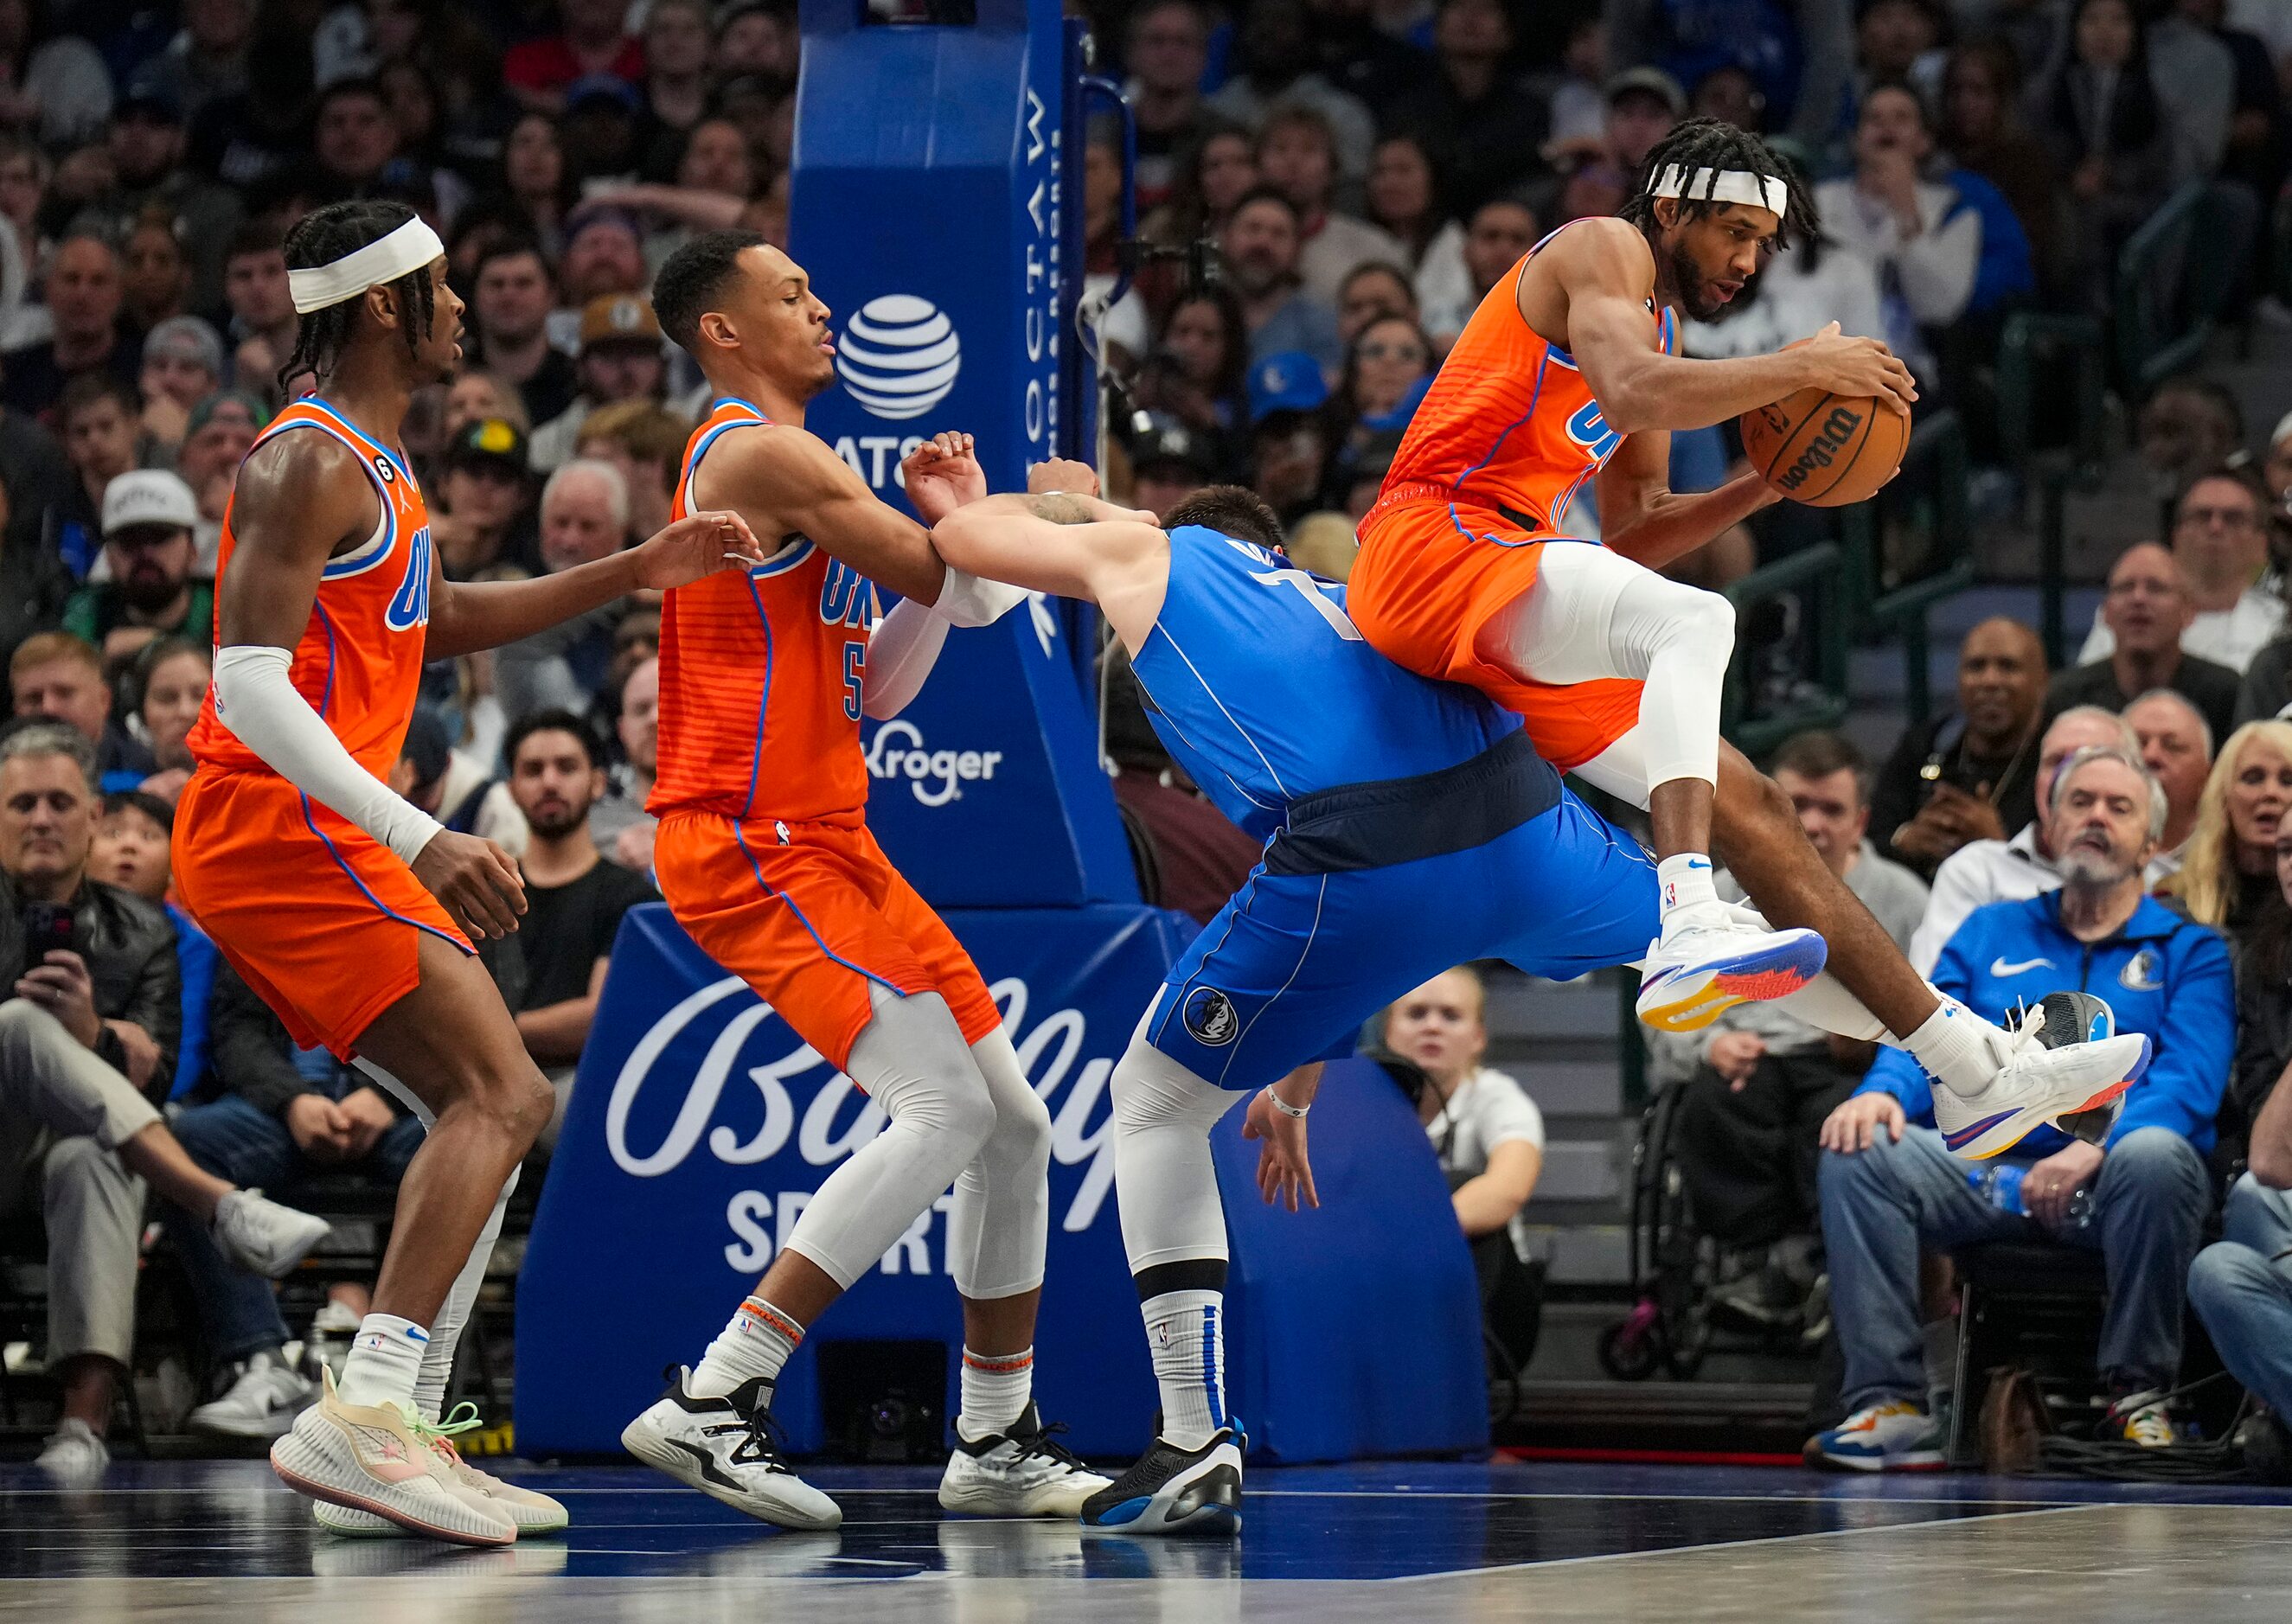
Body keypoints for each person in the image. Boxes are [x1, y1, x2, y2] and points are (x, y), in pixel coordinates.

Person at [925, 469, 2145, 1532]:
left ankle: (1191, 1434)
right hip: (1517, 820)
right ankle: (1973, 1057)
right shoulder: (1356, 605)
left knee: (1149, 1105)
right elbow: (1375, 925)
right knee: (1730, 937)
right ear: (1279, 553)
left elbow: (972, 544)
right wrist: (1294, 1073)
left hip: (1367, 854)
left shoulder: (1149, 547)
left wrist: (971, 515)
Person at [1346, 114, 2124, 1156]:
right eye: (1731, 233)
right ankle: (1687, 913)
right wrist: (1798, 364)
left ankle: (1971, 1069)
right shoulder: (1599, 249)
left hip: (1504, 580)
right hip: (1430, 542)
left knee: (1751, 805)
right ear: (1667, 211)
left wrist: (1771, 476)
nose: (1748, 261)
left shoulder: (1662, 333)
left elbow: (1634, 528)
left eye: (1763, 244)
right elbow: (1627, 391)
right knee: (1696, 620)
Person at [170, 199, 764, 1544]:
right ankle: (365, 1414)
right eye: (439, 288)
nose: (459, 310)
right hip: (278, 826)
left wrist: (635, 567)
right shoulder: (301, 462)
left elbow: (430, 623)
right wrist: (416, 831)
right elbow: (249, 689)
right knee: (500, 1089)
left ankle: (403, 1437)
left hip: (308, 828)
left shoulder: (377, 462)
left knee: (479, 1119)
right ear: (384, 304)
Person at [617, 229, 1110, 1531]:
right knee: (942, 1109)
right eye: (791, 294)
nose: (824, 309)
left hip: (831, 836)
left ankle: (994, 1437)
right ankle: (717, 1394)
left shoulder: (790, 471)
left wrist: (965, 538)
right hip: (749, 835)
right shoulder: (760, 448)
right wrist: (1009, 517)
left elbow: (880, 676)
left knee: (1015, 1126)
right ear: (722, 330)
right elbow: (956, 576)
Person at [1808, 746, 2230, 1466]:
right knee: (1864, 1149)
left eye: (2119, 807)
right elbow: (1925, 1035)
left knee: (2160, 1153)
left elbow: (2190, 1079)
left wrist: (2091, 1147)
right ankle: (1892, 1404)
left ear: (2153, 843)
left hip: (2115, 1180)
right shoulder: (1989, 931)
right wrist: (1879, 1092)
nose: (2096, 816)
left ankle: (2139, 1397)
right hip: (1984, 1173)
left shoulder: (2191, 950)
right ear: (2050, 823)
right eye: (2081, 802)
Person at [0, 721, 330, 1482]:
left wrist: (94, 1037)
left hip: (73, 1154)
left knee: (94, 1153)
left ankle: (81, 1428)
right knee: (18, 1022)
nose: (42, 819)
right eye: (22, 805)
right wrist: (103, 1043)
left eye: (59, 802)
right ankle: (220, 1205)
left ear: (92, 817)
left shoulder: (145, 928)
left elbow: (157, 1080)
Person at [1649, 731, 1927, 1315]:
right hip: (1749, 1054)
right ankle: (1756, 1261)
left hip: (1847, 1060)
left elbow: (1933, 1001)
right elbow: (1664, 1001)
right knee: (1715, 1102)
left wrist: (1875, 1041)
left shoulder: (1905, 898)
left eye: (1833, 809)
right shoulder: (1717, 895)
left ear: (1862, 821)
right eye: (1798, 805)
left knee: (1839, 1120)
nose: (1815, 823)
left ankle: (1822, 1263)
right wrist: (1708, 1045)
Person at [483, 709, 655, 1145]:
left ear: (598, 782)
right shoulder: (486, 894)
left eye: (567, 767)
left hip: (581, 1081)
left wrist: (489, 1032)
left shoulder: (629, 897)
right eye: (533, 770)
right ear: (512, 790)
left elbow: (601, 1016)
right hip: (486, 1078)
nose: (550, 782)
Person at [1909, 706, 2142, 972]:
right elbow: (1933, 997)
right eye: (2054, 762)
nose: (2063, 779)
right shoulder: (1976, 870)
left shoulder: (2158, 883)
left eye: (2086, 762)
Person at [1382, 967, 1546, 1263]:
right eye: (1417, 1013)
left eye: (1451, 1015)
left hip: (1484, 1281)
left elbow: (1509, 1187)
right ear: (1389, 1030)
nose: (1432, 1026)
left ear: (1478, 1037)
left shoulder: (1499, 1098)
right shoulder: (1362, 1101)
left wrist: (1409, 1240)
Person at [1870, 617, 2049, 882]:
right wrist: (1907, 840)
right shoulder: (1925, 744)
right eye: (1976, 667)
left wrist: (1999, 846)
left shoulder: (2059, 754)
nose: (1989, 681)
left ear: (2042, 682)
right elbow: (1871, 839)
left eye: (2008, 666)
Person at [2082, 470, 2286, 675]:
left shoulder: (2281, 626)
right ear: (2176, 536)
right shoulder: (2128, 610)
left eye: (2233, 519)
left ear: (2262, 542)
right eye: (2202, 516)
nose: (2215, 527)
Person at [2051, 542, 2243, 745]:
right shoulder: (2068, 697)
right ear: (2105, 613)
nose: (2138, 599)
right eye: (2125, 588)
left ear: (2188, 612)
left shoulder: (2225, 694)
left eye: (2156, 588)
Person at [1253, 104, 1410, 307]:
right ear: (1257, 165)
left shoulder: (1375, 251)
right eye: (1280, 149)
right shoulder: (1225, 249)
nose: (1293, 161)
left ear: (1331, 168)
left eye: (1309, 150)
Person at [63, 470, 212, 673]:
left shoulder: (222, 609)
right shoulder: (86, 612)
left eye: (160, 537)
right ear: (108, 556)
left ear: (192, 550)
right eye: (130, 541)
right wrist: (96, 665)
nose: (146, 553)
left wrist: (160, 645)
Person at [2156, 719, 2292, 934]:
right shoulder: (2172, 904)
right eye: (2253, 778)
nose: (2270, 793)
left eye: (2288, 781)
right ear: (2223, 797)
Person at [528, 295, 667, 473]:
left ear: (662, 364)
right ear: (581, 366)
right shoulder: (545, 446)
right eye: (609, 356)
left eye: (640, 354)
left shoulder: (691, 433)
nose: (626, 369)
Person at [1220, 188, 1345, 374]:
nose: (1262, 242)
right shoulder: (1195, 313)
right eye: (1252, 229)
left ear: (1297, 250)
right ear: (1226, 239)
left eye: (1278, 234)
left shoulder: (1323, 326)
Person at [10, 631, 156, 791]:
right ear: (17, 710)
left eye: (64, 693)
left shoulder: (148, 773)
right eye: (33, 698)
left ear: (103, 700)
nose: (48, 708)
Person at [2126, 688, 2214, 877]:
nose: (2151, 755)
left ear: (2208, 774)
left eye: (2173, 747)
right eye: (2138, 744)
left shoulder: (2225, 857)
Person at [589, 653, 658, 868]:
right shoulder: (591, 832)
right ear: (622, 730)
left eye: (669, 704)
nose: (655, 719)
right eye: (641, 710)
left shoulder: (735, 821)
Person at [135, 636, 211, 804]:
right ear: (141, 712)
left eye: (200, 695)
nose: (185, 712)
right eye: (166, 698)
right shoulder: (116, 790)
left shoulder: (251, 784)